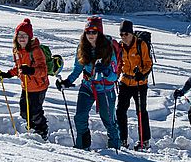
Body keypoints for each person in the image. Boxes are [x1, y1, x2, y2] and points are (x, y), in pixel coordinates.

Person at [57, 16, 122, 150]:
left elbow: (114, 76)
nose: (90, 35)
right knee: (79, 117)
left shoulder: (108, 48)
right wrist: (67, 81)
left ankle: (115, 147)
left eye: (94, 31)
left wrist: (106, 71)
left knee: (109, 120)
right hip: (87, 86)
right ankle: (82, 146)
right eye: (88, 32)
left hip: (105, 88)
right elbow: (78, 68)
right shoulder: (82, 47)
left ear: (100, 32)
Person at [0, 18, 49, 139]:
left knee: (35, 111)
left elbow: (43, 71)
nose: (21, 38)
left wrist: (31, 71)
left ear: (29, 37)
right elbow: (18, 67)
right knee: (24, 112)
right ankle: (33, 126)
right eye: (19, 35)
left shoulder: (36, 50)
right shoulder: (17, 50)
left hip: (39, 86)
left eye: (24, 35)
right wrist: (7, 74)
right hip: (26, 86)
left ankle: (42, 130)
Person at [116, 20, 153, 149]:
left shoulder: (140, 44)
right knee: (120, 111)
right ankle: (123, 139)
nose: (124, 37)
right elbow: (119, 64)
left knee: (141, 111)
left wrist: (142, 74)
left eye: (126, 33)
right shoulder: (120, 46)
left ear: (131, 33)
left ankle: (144, 141)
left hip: (139, 83)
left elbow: (148, 63)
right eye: (121, 34)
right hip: (125, 82)